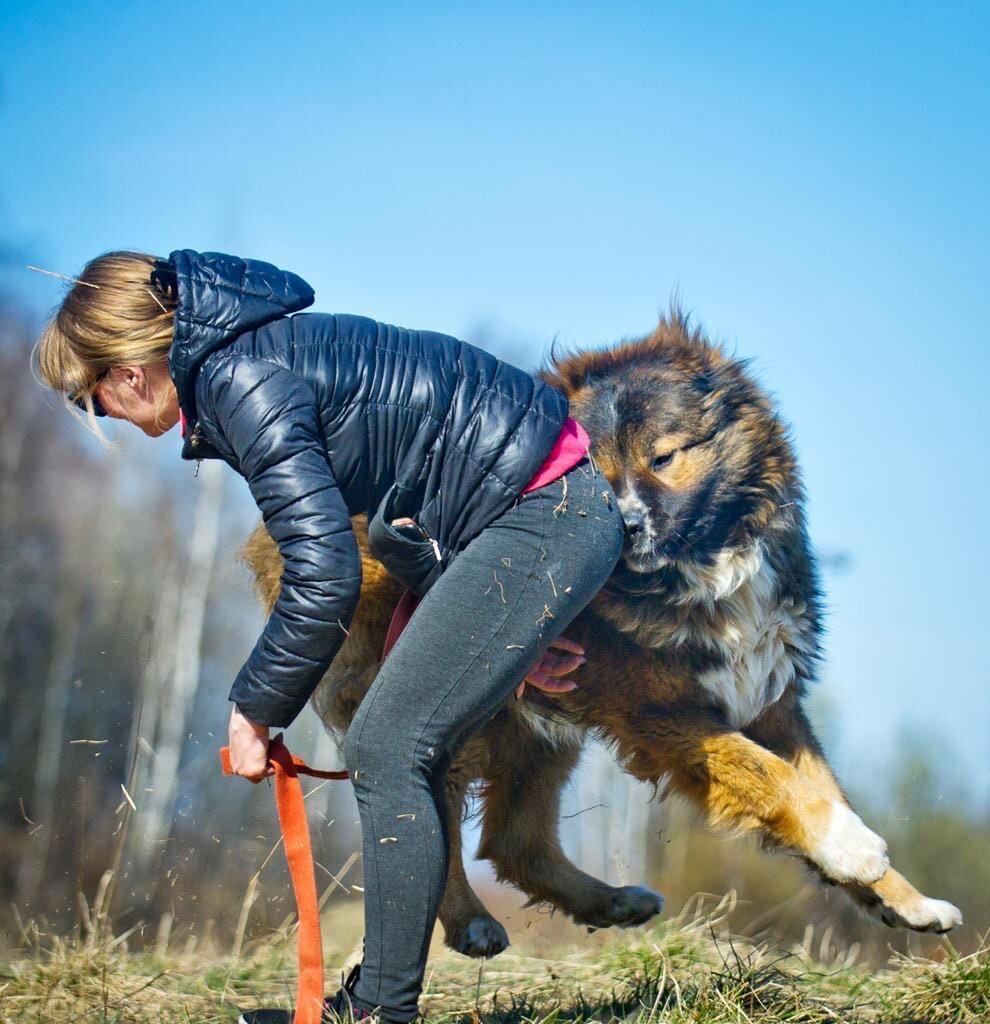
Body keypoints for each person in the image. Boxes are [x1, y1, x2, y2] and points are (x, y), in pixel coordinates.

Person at [31, 249, 626, 1024]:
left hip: (545, 514)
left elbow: (325, 573)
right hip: (526, 519)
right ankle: (378, 1003)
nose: (99, 415)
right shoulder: (252, 363)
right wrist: (498, 623)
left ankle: (379, 1011)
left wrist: (254, 709)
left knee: (386, 744)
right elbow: (411, 499)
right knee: (396, 739)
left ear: (129, 373)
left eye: (90, 398)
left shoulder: (243, 385)